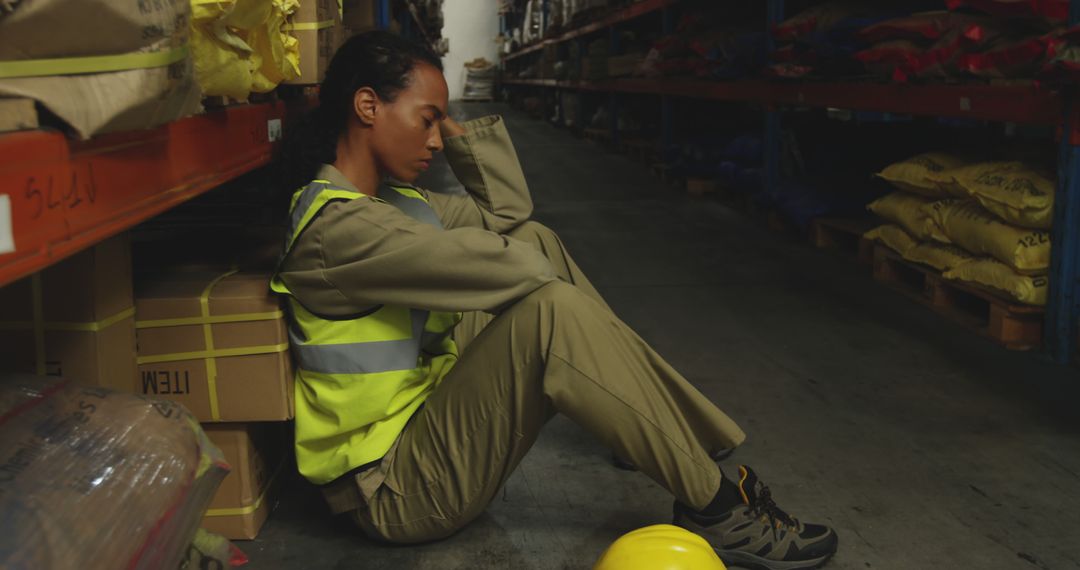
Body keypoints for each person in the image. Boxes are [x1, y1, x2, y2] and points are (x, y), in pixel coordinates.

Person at [271, 30, 839, 570]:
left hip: (425, 422)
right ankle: (716, 508)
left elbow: (510, 219)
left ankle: (657, 430)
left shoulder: (394, 202)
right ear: (367, 107)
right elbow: (513, 269)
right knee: (551, 313)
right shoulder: (338, 229)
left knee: (536, 240)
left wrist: (453, 123)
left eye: (441, 123)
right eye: (427, 120)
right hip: (394, 490)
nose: (438, 140)